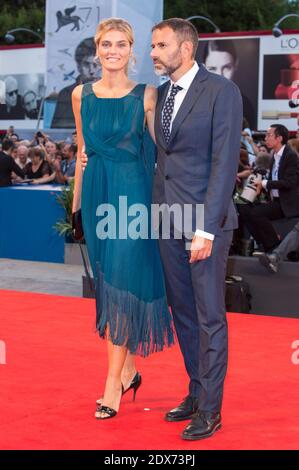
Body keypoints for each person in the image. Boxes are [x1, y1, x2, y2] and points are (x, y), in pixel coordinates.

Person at [72, 18, 174, 420]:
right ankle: (129, 370)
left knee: (122, 282)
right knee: (109, 285)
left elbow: (161, 154)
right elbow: (82, 152)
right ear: (97, 50)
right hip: (97, 194)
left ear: (132, 50)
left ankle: (111, 385)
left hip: (132, 200)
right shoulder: (81, 95)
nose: (112, 50)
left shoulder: (147, 95)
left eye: (120, 44)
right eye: (105, 44)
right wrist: (76, 207)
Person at [150, 18, 242, 440]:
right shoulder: (164, 94)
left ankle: (211, 408)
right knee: (183, 314)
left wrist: (205, 228)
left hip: (205, 224)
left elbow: (225, 163)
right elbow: (165, 163)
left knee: (209, 317)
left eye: (160, 45)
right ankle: (196, 389)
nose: (153, 52)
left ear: (185, 49)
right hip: (167, 221)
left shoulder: (221, 91)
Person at [239, 124, 299, 255]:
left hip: (287, 204)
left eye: (268, 135)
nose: (265, 138)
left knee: (256, 213)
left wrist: (265, 183)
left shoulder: (290, 155)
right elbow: (274, 181)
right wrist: (261, 186)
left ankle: (273, 245)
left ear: (279, 138)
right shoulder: (274, 155)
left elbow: (290, 183)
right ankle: (264, 243)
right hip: (275, 201)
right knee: (243, 208)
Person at [201, 39, 255, 129]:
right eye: (212, 69)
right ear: (204, 68)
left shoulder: (245, 106)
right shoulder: (195, 103)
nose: (220, 75)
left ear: (236, 64)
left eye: (226, 68)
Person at [51, 37, 100, 128]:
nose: (92, 70)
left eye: (96, 64)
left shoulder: (113, 93)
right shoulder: (66, 94)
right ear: (78, 67)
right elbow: (58, 128)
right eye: (86, 64)